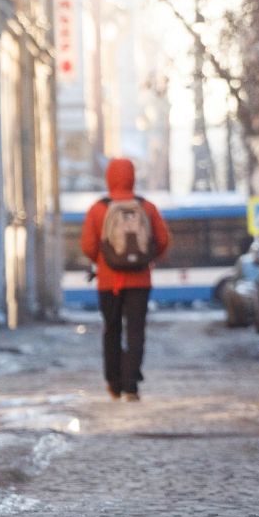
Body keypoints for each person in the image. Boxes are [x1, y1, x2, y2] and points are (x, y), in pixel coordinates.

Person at [79, 158, 171, 401]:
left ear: (109, 177)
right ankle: (131, 385)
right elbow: (162, 241)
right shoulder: (147, 207)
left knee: (111, 330)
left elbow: (87, 245)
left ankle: (113, 383)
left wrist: (102, 261)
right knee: (136, 331)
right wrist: (147, 260)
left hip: (108, 283)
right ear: (133, 176)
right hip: (140, 281)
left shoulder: (98, 209)